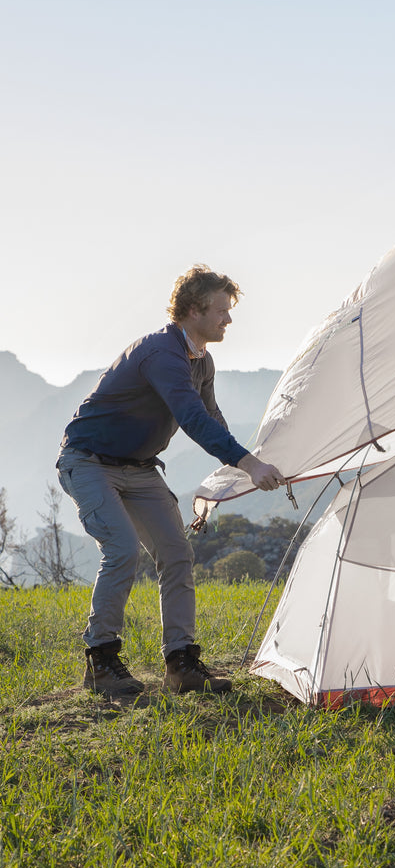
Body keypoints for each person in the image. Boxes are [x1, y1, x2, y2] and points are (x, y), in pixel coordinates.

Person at [56, 265, 286, 697]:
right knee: (122, 550)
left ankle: (181, 665)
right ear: (195, 309)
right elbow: (193, 418)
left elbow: (212, 414)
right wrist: (248, 463)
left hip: (139, 467)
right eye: (221, 310)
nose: (228, 320)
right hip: (88, 462)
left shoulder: (202, 360)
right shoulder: (162, 353)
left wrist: (251, 462)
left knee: (176, 553)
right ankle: (101, 660)